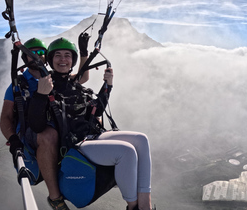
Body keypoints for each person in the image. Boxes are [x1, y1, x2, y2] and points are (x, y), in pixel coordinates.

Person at [28, 38, 155, 210]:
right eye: (57, 55)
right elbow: (37, 125)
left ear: (72, 60)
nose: (63, 59)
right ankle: (134, 207)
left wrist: (108, 86)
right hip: (76, 144)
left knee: (141, 139)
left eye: (67, 55)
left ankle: (145, 204)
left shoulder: (75, 85)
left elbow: (97, 111)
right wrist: (41, 95)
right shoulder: (46, 85)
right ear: (50, 60)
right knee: (126, 151)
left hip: (93, 134)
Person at [0, 35, 90, 210]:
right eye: (30, 53)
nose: (35, 56)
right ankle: (55, 197)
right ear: (25, 58)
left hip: (59, 126)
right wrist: (13, 138)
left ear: (45, 56)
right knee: (48, 136)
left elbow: (81, 78)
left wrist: (85, 53)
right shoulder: (18, 85)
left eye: (40, 52)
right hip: (32, 131)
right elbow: (5, 117)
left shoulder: (52, 78)